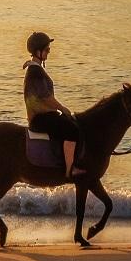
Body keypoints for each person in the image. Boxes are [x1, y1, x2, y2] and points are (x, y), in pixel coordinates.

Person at [22, 31, 85, 178]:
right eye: (47, 50)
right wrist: (62, 108)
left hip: (45, 115)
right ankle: (70, 170)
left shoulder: (35, 69)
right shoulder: (35, 71)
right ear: (38, 52)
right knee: (72, 130)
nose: (49, 52)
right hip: (40, 118)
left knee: (72, 122)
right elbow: (46, 97)